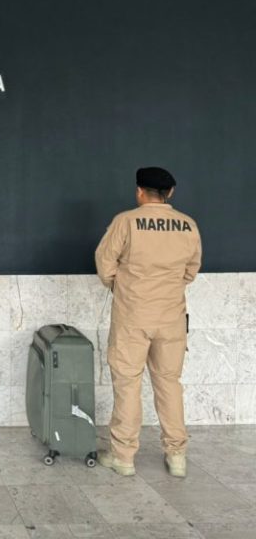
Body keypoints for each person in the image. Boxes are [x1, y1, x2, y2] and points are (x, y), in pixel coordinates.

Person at [95, 167, 202, 478]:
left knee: (127, 384)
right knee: (169, 384)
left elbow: (105, 262)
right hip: (171, 317)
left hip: (133, 316)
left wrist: (120, 286)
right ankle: (177, 455)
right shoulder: (188, 225)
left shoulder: (126, 222)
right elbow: (190, 271)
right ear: (170, 193)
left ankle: (123, 456)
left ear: (139, 192)